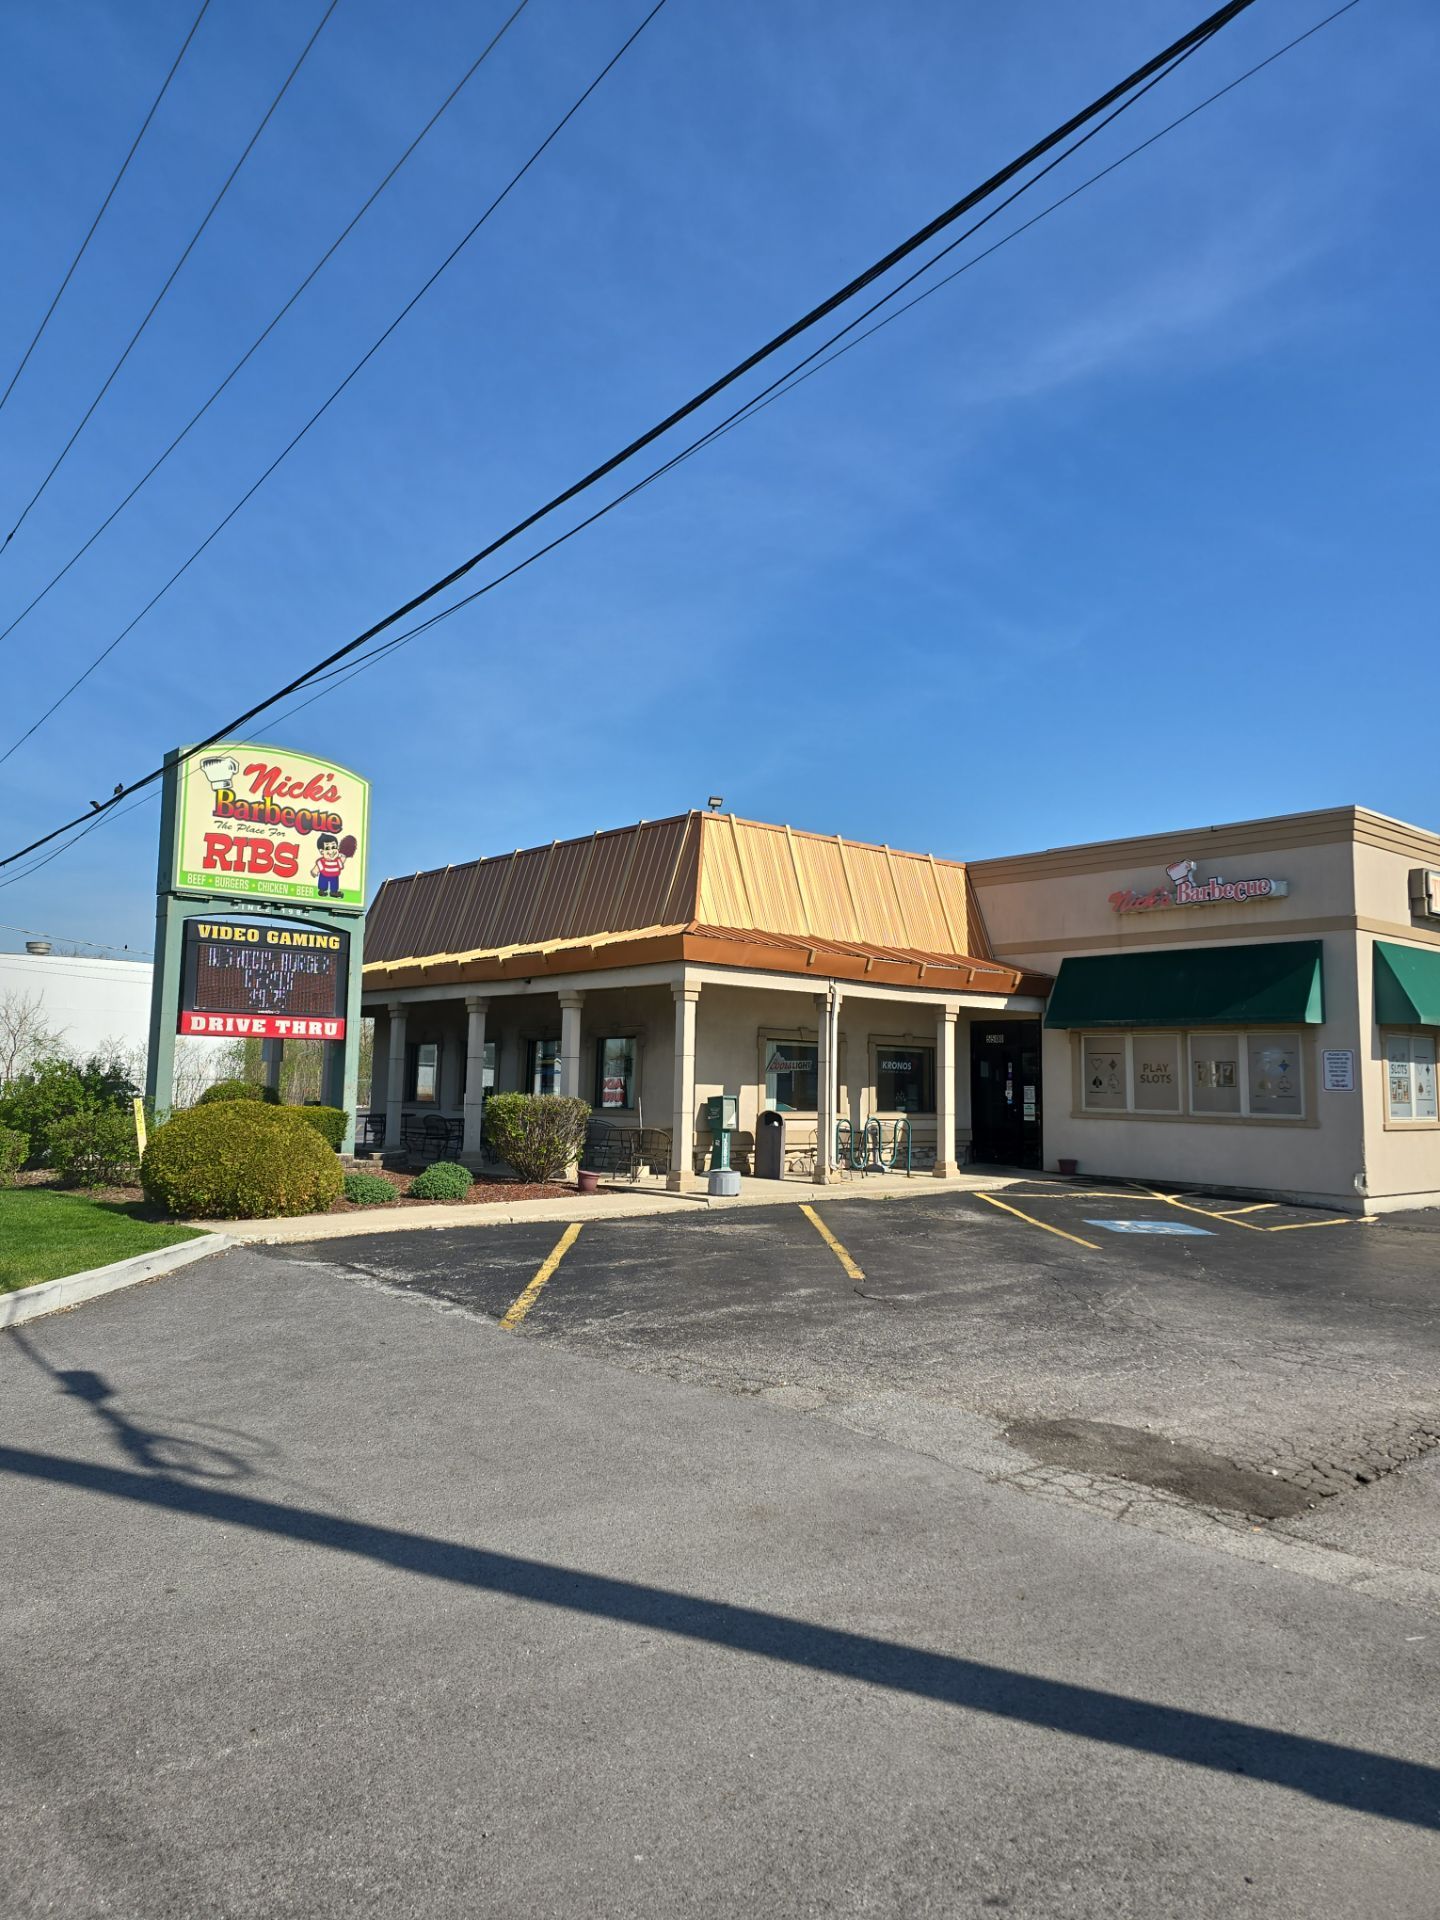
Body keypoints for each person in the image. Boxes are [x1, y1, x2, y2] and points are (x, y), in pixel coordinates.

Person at [311, 832, 346, 898]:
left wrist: (343, 858)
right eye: (327, 848)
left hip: (334, 875)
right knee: (323, 883)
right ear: (322, 851)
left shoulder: (338, 860)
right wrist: (314, 872)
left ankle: (334, 892)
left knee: (334, 884)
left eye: (333, 847)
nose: (331, 851)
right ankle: (322, 890)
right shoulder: (321, 861)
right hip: (324, 874)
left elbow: (341, 865)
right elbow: (317, 867)